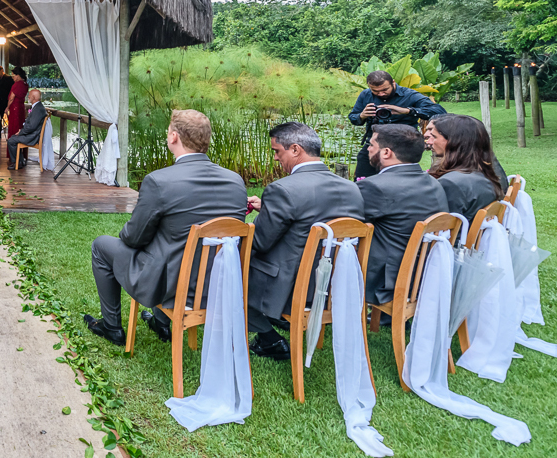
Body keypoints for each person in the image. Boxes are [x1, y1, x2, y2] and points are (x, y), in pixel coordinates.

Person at [85, 110, 247, 346]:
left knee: (102, 245)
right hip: (220, 285)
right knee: (171, 247)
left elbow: (133, 238)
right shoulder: (235, 181)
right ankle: (160, 322)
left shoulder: (159, 181)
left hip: (171, 284)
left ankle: (112, 328)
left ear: (173, 137)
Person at [245, 122, 365, 360]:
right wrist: (269, 210)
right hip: (339, 284)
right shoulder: (352, 189)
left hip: (293, 288)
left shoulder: (283, 189)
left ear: (295, 149)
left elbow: (259, 242)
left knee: (226, 269)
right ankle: (280, 320)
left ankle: (270, 338)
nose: (276, 158)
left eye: (277, 151)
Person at [358, 124, 448, 305]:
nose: (368, 149)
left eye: (371, 145)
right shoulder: (433, 182)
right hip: (428, 274)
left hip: (388, 282)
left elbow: (349, 224)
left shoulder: (375, 186)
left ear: (386, 152)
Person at [349, 70, 445, 180]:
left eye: (385, 90)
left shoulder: (409, 95)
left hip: (403, 146)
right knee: (362, 181)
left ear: (393, 83)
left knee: (400, 181)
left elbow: (439, 112)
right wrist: (362, 116)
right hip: (374, 144)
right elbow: (353, 118)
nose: (381, 94)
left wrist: (407, 111)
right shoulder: (366, 95)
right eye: (375, 91)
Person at [424, 114, 504, 222]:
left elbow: (441, 226)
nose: (429, 142)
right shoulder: (483, 175)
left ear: (453, 141)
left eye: (434, 137)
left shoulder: (451, 184)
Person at [7, 89, 46, 166]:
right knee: (13, 137)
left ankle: (17, 163)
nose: (28, 96)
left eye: (29, 95)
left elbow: (32, 126)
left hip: (33, 137)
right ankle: (20, 161)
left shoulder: (38, 109)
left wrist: (21, 132)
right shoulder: (38, 107)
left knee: (11, 141)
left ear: (34, 97)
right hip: (32, 134)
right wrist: (21, 131)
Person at [6, 67, 28, 137]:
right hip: (21, 107)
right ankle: (20, 141)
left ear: (17, 75)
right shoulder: (25, 84)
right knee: (20, 124)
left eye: (13, 75)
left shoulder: (17, 84)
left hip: (15, 108)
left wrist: (7, 107)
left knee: (14, 125)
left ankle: (13, 141)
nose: (12, 77)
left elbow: (11, 98)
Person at [0, 66, 12, 140]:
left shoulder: (9, 79)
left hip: (7, 101)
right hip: (0, 102)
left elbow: (11, 90)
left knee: (10, 117)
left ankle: (11, 133)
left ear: (2, 70)